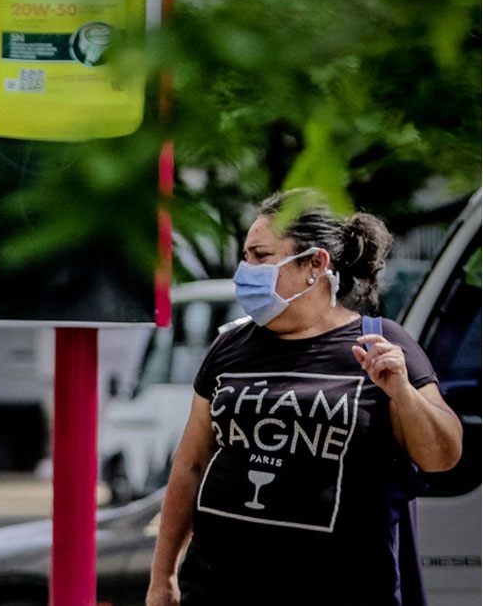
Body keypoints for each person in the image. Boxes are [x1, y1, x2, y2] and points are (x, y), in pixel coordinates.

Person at [146, 189, 462, 606]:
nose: (246, 269)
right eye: (246, 256)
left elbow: (443, 455)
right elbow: (190, 465)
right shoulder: (229, 347)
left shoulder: (380, 342)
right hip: (218, 587)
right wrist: (163, 575)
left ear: (315, 264)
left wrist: (402, 392)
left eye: (261, 256)